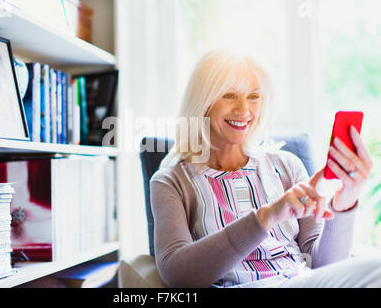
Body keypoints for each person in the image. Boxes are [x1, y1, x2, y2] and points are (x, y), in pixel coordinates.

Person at [150, 49, 381, 288]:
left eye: (254, 96)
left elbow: (325, 266)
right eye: (229, 95)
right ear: (203, 102)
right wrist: (268, 216)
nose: (244, 109)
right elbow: (177, 275)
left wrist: (345, 201)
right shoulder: (171, 181)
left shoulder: (286, 165)